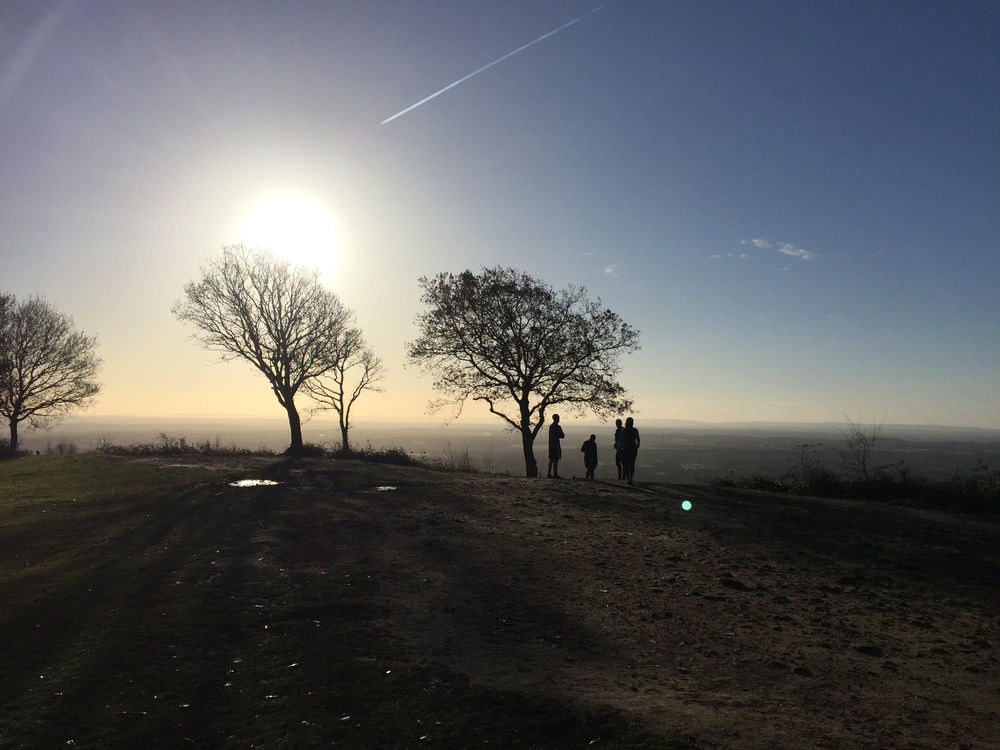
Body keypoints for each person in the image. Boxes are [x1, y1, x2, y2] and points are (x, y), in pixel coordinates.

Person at [619, 416, 640, 485]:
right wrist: (637, 445)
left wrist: (620, 448)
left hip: (625, 449)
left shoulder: (623, 430)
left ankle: (627, 478)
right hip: (633, 448)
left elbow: (621, 441)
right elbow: (638, 438)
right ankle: (630, 478)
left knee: (626, 464)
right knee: (632, 464)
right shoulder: (635, 430)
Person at [547, 413, 564, 478]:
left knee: (552, 460)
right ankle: (554, 474)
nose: (558, 419)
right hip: (555, 444)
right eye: (558, 418)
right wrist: (558, 434)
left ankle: (550, 474)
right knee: (555, 460)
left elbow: (562, 435)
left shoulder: (552, 426)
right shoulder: (557, 427)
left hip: (552, 444)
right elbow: (562, 435)